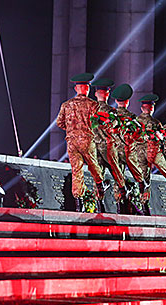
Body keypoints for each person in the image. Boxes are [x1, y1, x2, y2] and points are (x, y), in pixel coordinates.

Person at [56, 72, 108, 212]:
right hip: (87, 140)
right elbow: (100, 123)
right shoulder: (93, 105)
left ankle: (79, 204)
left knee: (76, 171)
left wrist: (72, 130)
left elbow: (59, 123)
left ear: (76, 89)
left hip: (71, 142)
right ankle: (100, 186)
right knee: (93, 165)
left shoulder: (66, 105)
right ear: (88, 88)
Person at [91, 78, 128, 213]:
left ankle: (99, 205)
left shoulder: (90, 110)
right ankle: (120, 205)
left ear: (95, 94)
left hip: (95, 148)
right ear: (108, 94)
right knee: (118, 175)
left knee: (98, 177)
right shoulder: (113, 112)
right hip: (109, 148)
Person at [111, 84, 148, 215]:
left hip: (115, 151)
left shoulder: (111, 116)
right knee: (140, 177)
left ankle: (120, 207)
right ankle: (143, 205)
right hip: (129, 150)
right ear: (127, 101)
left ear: (116, 101)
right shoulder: (133, 118)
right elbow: (139, 137)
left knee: (118, 178)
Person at [137, 94, 166, 215]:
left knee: (144, 180)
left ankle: (144, 207)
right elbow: (163, 139)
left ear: (142, 108)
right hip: (153, 152)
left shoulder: (136, 121)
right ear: (151, 108)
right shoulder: (156, 123)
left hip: (140, 152)